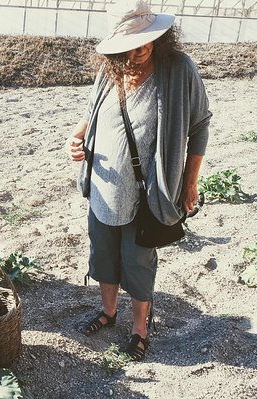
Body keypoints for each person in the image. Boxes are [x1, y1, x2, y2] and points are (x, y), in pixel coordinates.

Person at [66, 0, 211, 360]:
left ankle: (139, 329)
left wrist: (189, 183)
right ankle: (108, 312)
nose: (140, 49)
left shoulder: (178, 69)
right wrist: (76, 136)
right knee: (103, 254)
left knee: (138, 260)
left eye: (146, 40)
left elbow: (200, 125)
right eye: (130, 44)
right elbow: (91, 112)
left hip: (147, 193)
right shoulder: (110, 71)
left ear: (159, 36)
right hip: (102, 186)